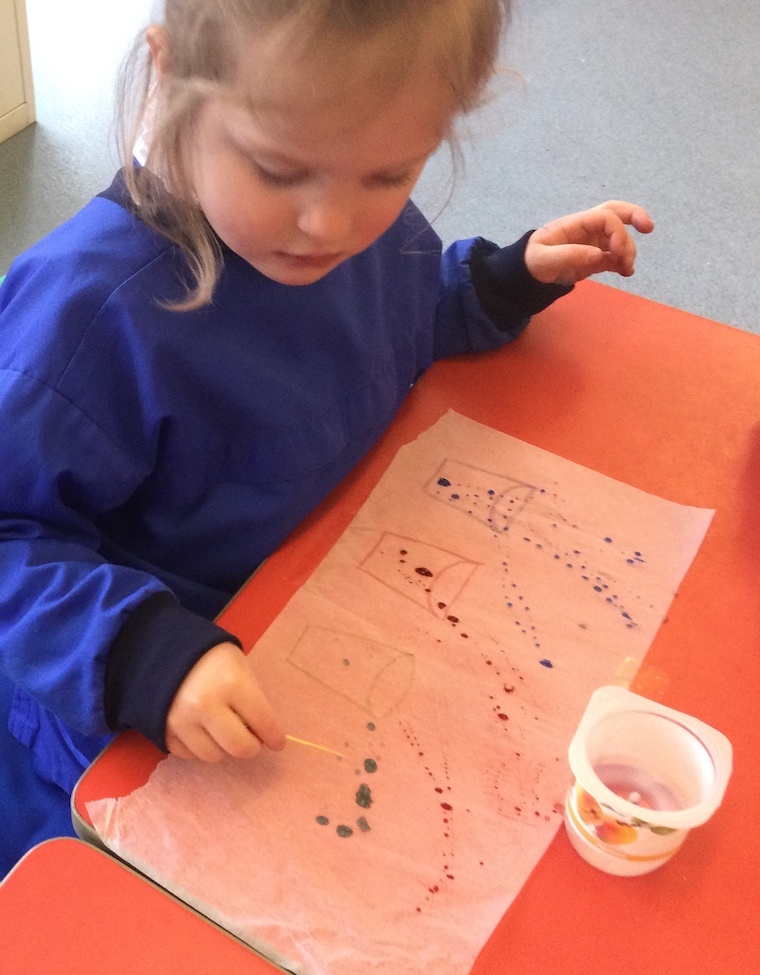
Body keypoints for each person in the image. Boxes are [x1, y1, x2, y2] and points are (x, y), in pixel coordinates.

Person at [0, 0, 653, 850]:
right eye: (279, 170)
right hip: (121, 704)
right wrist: (138, 652)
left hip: (329, 616)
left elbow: (406, 318)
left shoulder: (361, 232)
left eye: (390, 175)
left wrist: (500, 282)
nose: (333, 226)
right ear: (174, 79)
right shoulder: (86, 320)